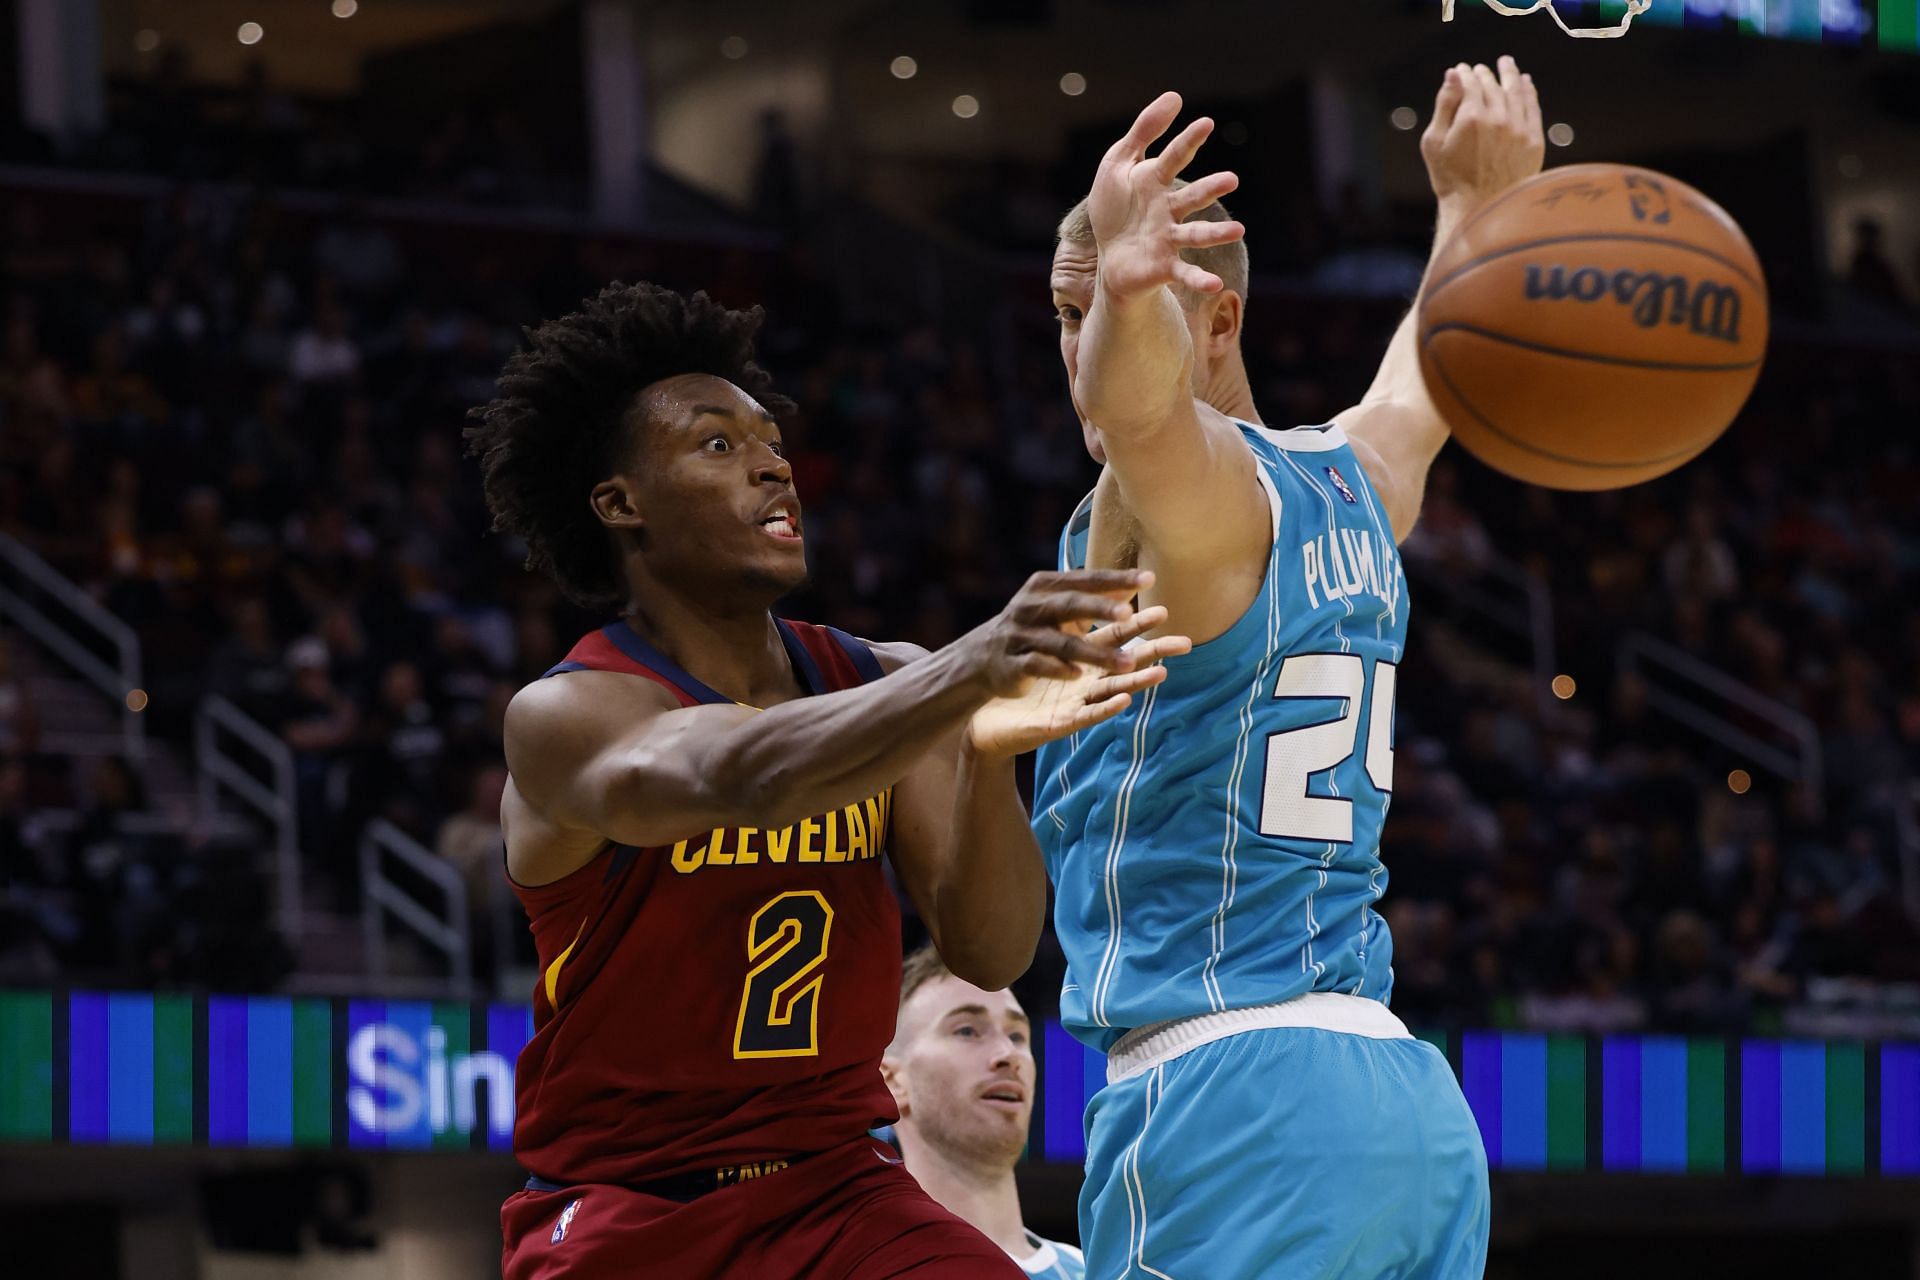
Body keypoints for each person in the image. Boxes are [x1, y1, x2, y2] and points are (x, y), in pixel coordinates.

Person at [466, 281, 1189, 1279]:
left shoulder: (889, 680)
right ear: (621, 503)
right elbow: (745, 770)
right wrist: (963, 674)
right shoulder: (571, 713)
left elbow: (991, 945)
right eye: (718, 444)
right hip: (628, 1211)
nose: (772, 464)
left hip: (837, 1191)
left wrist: (983, 755)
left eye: (770, 440)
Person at [1030, 60, 1545, 1276]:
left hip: (1230, 1096)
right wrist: (1480, 202)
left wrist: (1127, 295)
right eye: (1067, 314)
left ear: (1217, 318)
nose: (1083, 346)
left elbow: (1143, 412)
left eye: (1109, 304)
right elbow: (1429, 370)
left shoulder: (1185, 501)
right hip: (1401, 1103)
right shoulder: (1353, 476)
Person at [883, 944, 1085, 1280]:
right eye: (967, 1030)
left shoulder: (1097, 1270)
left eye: (1017, 1035)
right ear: (893, 1081)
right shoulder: (859, 1267)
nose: (1008, 1054)